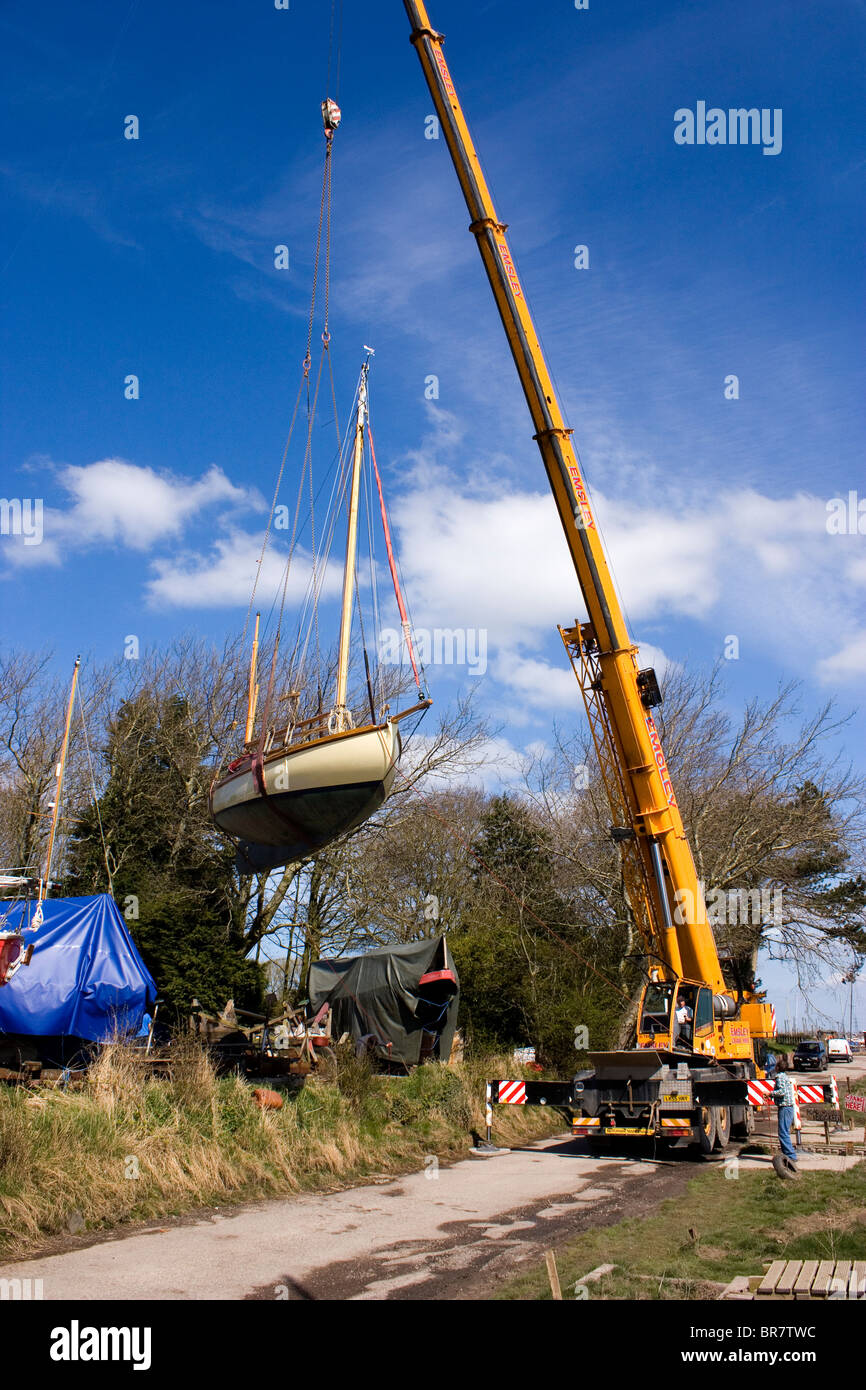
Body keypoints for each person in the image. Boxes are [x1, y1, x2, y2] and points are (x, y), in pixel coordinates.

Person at [772, 1066, 798, 1167]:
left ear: (777, 1068)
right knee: (784, 1131)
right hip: (788, 1107)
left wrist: (770, 1093)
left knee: (783, 1132)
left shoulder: (780, 1077)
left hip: (785, 1107)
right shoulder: (785, 1077)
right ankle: (786, 1154)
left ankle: (791, 1156)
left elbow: (781, 1092)